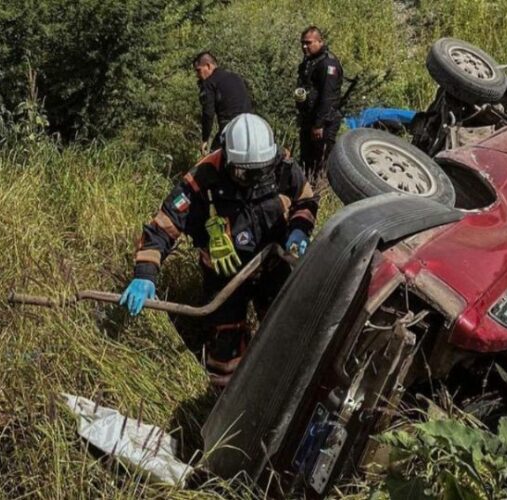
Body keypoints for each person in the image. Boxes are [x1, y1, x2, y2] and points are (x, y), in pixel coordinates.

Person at [120, 113, 318, 387]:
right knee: (226, 354)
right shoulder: (202, 181)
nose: (252, 179)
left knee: (287, 333)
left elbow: (305, 201)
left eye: (259, 170)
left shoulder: (281, 166)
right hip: (225, 280)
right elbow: (162, 228)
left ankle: (284, 387)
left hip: (273, 267)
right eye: (243, 173)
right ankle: (229, 406)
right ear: (227, 158)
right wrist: (145, 273)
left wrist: (299, 229)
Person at [295, 26, 343, 182]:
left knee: (320, 163)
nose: (304, 46)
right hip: (309, 119)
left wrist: (319, 124)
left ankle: (320, 193)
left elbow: (328, 97)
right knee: (306, 162)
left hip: (324, 122)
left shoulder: (328, 64)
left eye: (308, 43)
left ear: (320, 41)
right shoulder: (310, 62)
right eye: (302, 43)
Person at [193, 51, 253, 154]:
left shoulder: (209, 83)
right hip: (250, 126)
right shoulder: (235, 77)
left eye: (198, 70)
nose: (197, 75)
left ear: (208, 66)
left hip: (230, 129)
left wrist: (205, 139)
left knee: (211, 162)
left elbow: (208, 113)